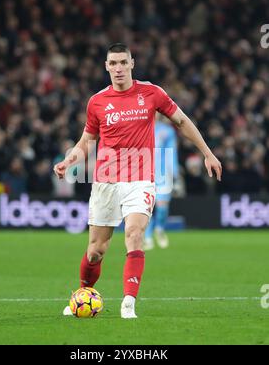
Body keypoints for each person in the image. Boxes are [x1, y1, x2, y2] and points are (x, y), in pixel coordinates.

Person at [54, 43, 222, 319]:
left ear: (132, 63)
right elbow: (87, 141)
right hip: (105, 181)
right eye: (113, 63)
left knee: (134, 234)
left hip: (140, 178)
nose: (118, 68)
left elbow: (181, 121)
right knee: (96, 251)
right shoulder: (96, 102)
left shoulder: (152, 93)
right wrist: (69, 160)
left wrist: (207, 153)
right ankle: (82, 293)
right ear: (106, 67)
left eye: (123, 62)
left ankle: (128, 302)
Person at [144, 113, 179, 250]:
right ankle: (147, 237)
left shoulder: (167, 131)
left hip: (163, 174)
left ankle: (159, 229)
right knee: (146, 207)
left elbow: (172, 151)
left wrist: (174, 172)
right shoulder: (139, 128)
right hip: (144, 173)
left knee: (162, 206)